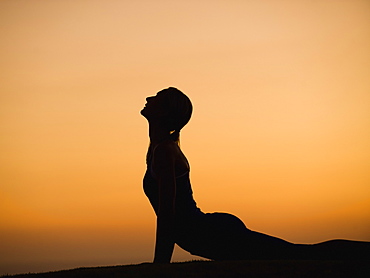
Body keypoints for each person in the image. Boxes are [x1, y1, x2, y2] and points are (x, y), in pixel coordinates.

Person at [140, 87, 369, 263]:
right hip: (207, 233)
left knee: (300, 254)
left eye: (157, 98)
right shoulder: (160, 149)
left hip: (210, 233)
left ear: (164, 112)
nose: (149, 98)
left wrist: (160, 264)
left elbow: (168, 213)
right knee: (296, 252)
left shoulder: (165, 151)